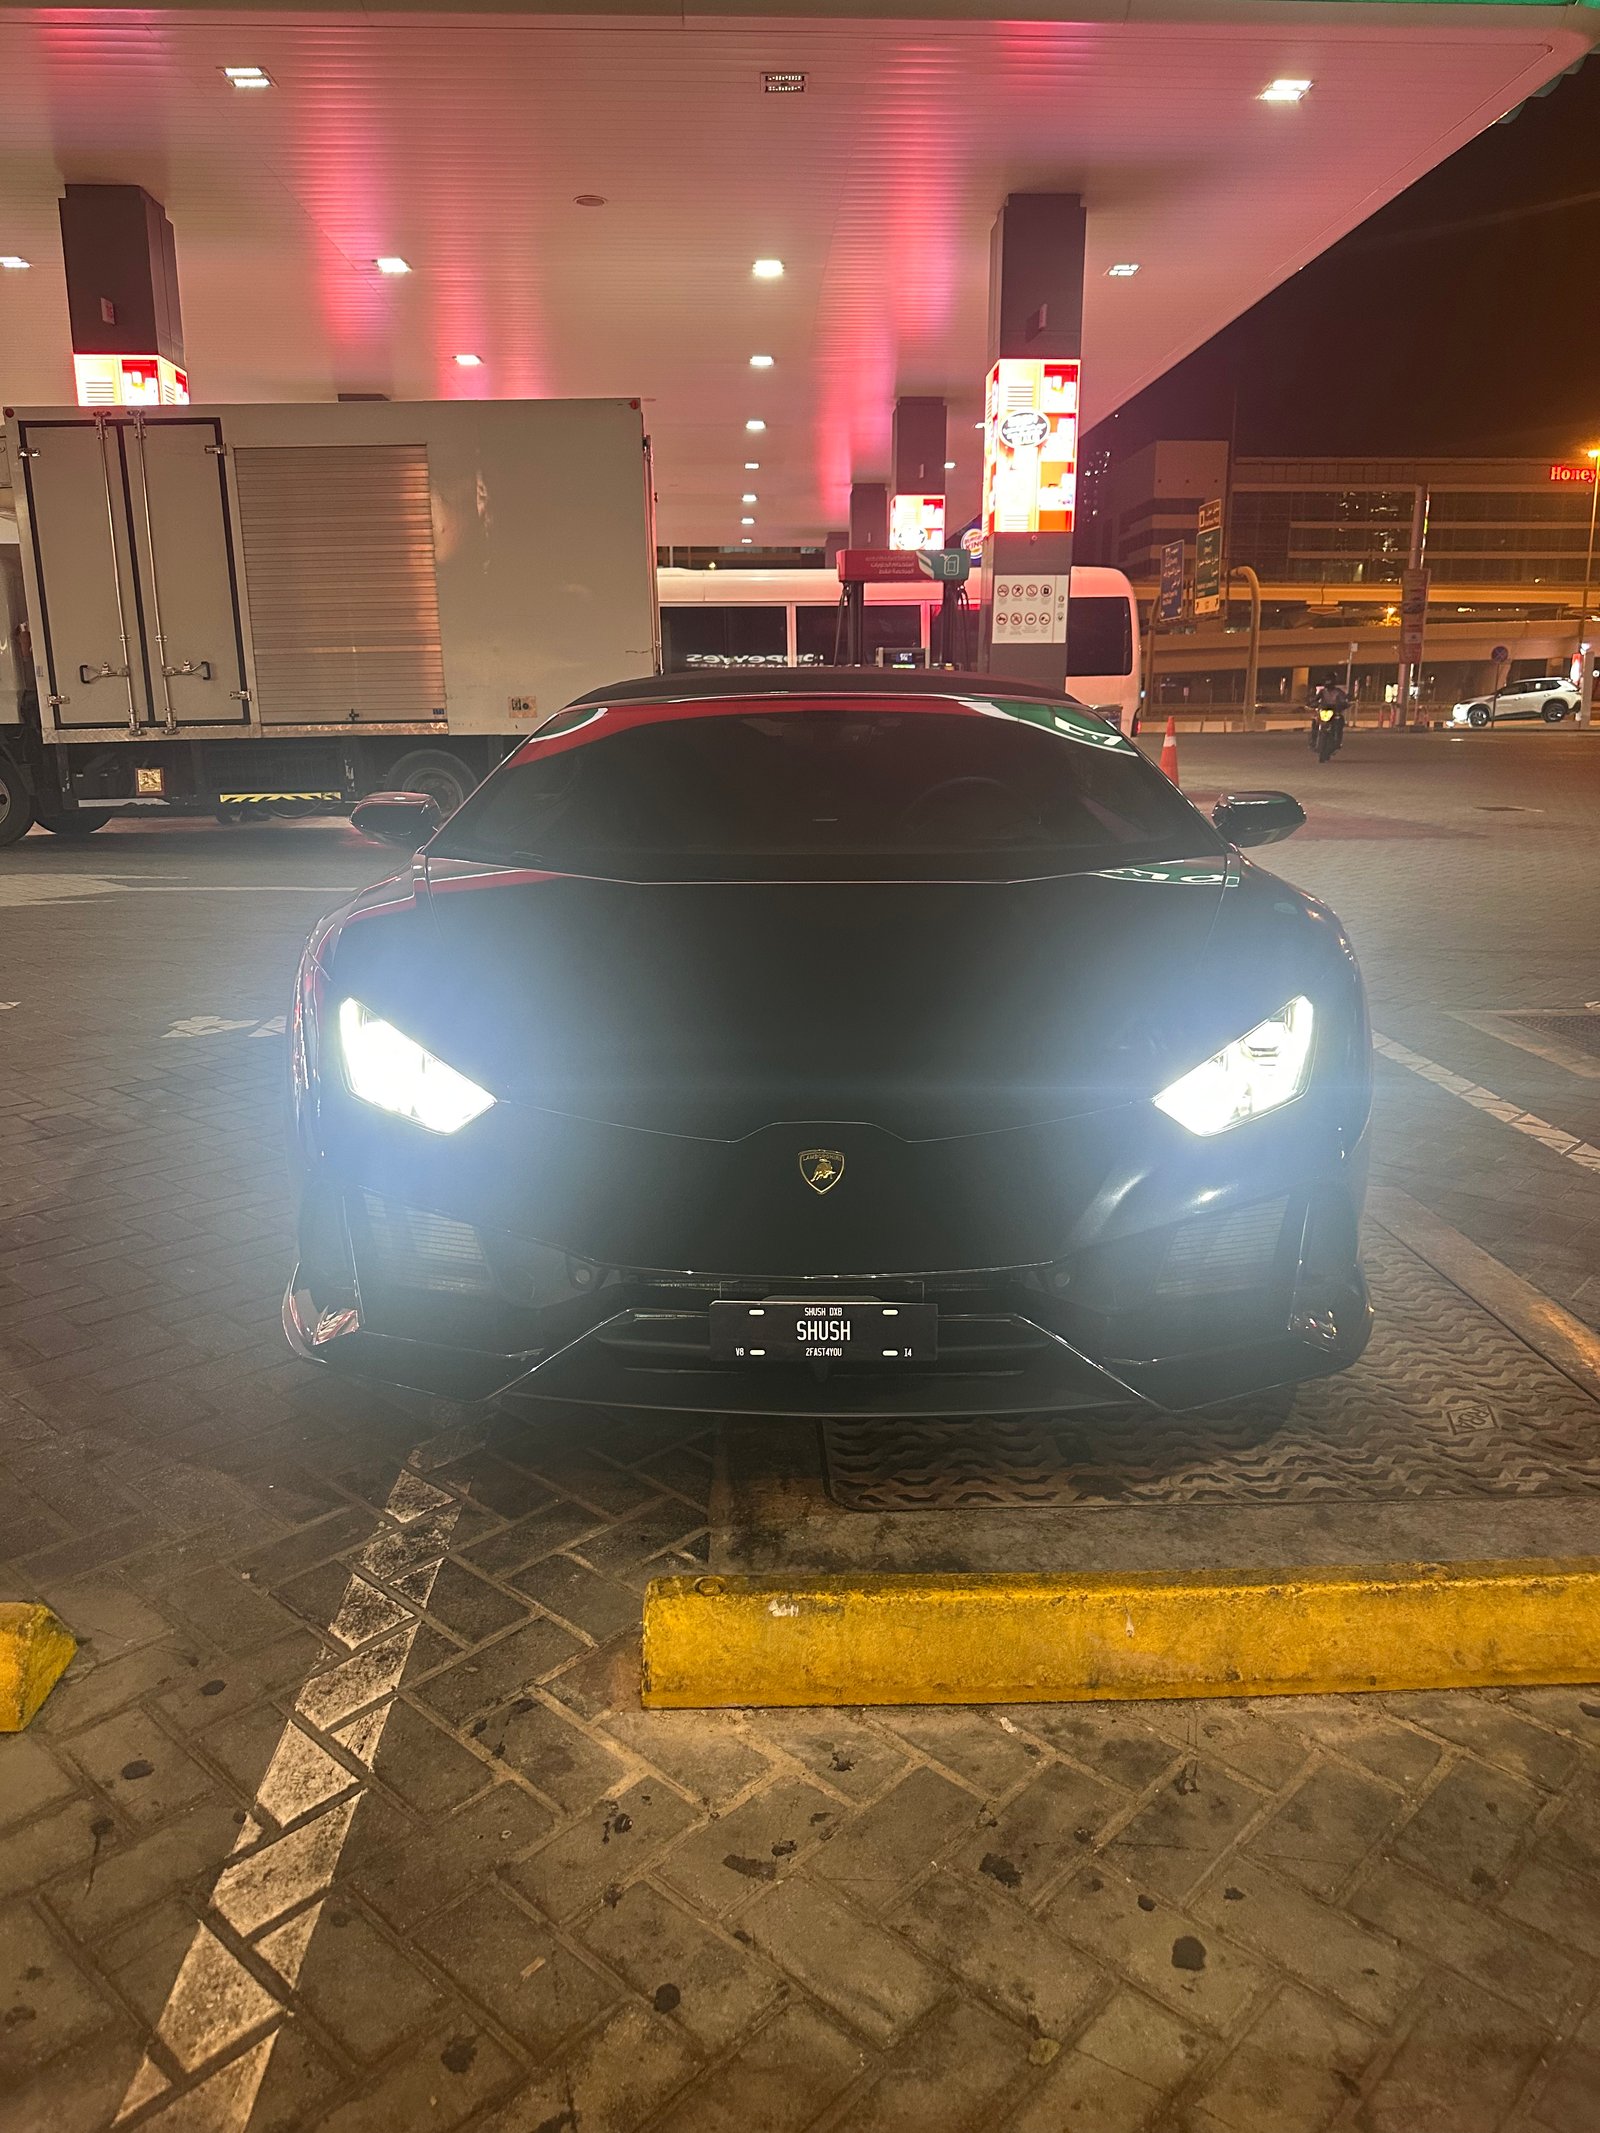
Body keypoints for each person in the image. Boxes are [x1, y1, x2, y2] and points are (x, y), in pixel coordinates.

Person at [1309, 678, 1349, 750]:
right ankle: (1313, 741)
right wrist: (1311, 703)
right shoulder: (1322, 692)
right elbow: (1315, 699)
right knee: (1315, 721)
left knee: (1340, 721)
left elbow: (1344, 699)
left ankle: (1338, 741)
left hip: (1334, 711)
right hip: (1324, 711)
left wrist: (1344, 704)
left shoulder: (1338, 691)